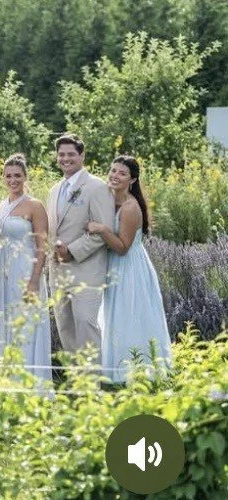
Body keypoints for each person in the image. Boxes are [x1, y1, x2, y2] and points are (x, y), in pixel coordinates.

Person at [86, 155, 172, 384]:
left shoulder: (130, 207)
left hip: (128, 268)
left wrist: (103, 229)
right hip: (112, 265)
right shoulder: (108, 199)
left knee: (129, 318)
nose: (115, 176)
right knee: (112, 317)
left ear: (132, 179)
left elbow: (123, 248)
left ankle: (134, 372)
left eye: (122, 173)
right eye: (113, 171)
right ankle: (112, 369)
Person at [46, 133, 115, 360]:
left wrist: (72, 250)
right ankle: (78, 384)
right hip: (58, 272)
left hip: (86, 270)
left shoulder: (97, 187)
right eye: (61, 154)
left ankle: (93, 387)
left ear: (82, 155)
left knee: (86, 325)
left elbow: (103, 230)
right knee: (65, 327)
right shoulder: (54, 190)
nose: (66, 159)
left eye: (71, 154)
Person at [0, 153, 52, 384]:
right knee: (5, 321)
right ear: (3, 178)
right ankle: (9, 379)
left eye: (17, 175)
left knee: (27, 322)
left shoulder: (35, 206)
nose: (13, 180)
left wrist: (34, 280)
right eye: (8, 176)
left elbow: (42, 245)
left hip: (26, 269)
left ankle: (31, 380)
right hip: (2, 271)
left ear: (25, 177)